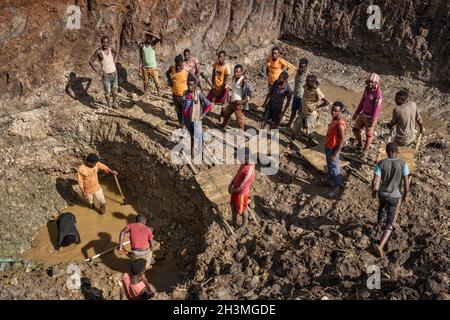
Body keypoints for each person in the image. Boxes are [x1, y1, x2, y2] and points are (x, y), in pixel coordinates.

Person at [371, 142, 409, 257]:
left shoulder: (380, 163)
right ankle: (380, 246)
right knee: (390, 223)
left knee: (381, 207)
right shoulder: (403, 163)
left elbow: (375, 181)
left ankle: (378, 223)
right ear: (395, 152)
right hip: (394, 195)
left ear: (387, 152)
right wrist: (406, 195)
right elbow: (406, 183)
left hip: (382, 193)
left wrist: (374, 191)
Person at [182, 74, 213, 160]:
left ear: (195, 85)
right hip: (187, 120)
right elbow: (183, 107)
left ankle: (200, 153)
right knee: (191, 135)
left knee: (199, 138)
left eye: (191, 85)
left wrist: (202, 116)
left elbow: (209, 105)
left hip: (196, 120)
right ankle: (192, 150)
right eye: (188, 84)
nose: (189, 86)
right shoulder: (185, 93)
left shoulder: (198, 94)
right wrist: (183, 119)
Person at [292, 74, 330, 143]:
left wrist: (316, 107)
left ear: (313, 82)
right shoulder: (306, 86)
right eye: (306, 81)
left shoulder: (317, 91)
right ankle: (293, 139)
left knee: (310, 131)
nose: (306, 82)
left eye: (308, 81)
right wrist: (301, 107)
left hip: (310, 114)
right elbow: (305, 97)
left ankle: (310, 141)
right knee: (296, 126)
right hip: (303, 111)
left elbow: (327, 102)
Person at [352, 73, 383, 154]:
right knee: (355, 129)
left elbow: (377, 108)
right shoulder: (367, 89)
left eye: (372, 82)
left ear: (376, 83)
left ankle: (365, 149)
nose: (370, 83)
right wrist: (356, 113)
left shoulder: (378, 94)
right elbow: (362, 102)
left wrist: (373, 119)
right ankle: (360, 143)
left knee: (368, 135)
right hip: (363, 114)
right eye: (369, 82)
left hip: (371, 117)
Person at [221, 64, 255, 133]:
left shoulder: (243, 80)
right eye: (235, 72)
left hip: (238, 103)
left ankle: (241, 132)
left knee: (239, 119)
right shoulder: (234, 78)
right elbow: (235, 89)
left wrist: (244, 100)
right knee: (227, 114)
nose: (236, 73)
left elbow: (252, 92)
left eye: (238, 72)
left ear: (241, 72)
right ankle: (223, 126)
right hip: (232, 101)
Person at [324, 102, 347, 197]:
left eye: (335, 111)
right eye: (332, 110)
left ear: (340, 111)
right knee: (330, 166)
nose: (333, 112)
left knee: (335, 168)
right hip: (328, 146)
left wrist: (335, 154)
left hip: (333, 149)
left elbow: (342, 141)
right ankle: (331, 181)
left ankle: (336, 188)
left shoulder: (340, 124)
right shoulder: (335, 119)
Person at [89, 36, 118, 108]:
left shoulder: (110, 48)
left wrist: (114, 61)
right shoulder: (99, 52)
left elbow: (116, 53)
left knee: (115, 90)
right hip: (106, 75)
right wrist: (98, 72)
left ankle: (114, 103)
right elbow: (91, 61)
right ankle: (109, 105)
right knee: (107, 91)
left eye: (107, 43)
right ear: (101, 43)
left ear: (108, 43)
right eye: (103, 43)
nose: (105, 44)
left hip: (114, 73)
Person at [229, 156, 256, 233]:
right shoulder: (244, 163)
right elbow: (238, 174)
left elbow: (242, 186)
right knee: (232, 204)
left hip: (241, 193)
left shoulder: (250, 171)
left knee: (242, 209)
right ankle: (234, 220)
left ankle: (244, 225)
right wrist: (231, 184)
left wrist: (233, 190)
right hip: (235, 189)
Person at [166, 54, 194, 127]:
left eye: (179, 65)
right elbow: (167, 73)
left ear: (182, 63)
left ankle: (186, 125)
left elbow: (196, 79)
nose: (178, 67)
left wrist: (192, 89)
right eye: (176, 65)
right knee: (178, 111)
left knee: (185, 112)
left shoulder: (187, 70)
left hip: (184, 96)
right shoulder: (172, 69)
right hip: (175, 95)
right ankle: (181, 125)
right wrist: (170, 81)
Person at [286, 58, 309, 127]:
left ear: (306, 66)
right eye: (300, 66)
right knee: (293, 111)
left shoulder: (308, 76)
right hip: (296, 96)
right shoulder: (298, 71)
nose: (300, 68)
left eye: (302, 67)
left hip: (302, 98)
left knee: (301, 113)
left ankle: (303, 128)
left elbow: (316, 84)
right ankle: (289, 124)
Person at [138, 30, 161, 96]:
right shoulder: (142, 45)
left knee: (156, 81)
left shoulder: (152, 44)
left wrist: (149, 33)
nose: (149, 38)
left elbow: (159, 38)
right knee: (145, 81)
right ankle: (145, 93)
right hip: (145, 67)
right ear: (146, 37)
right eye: (148, 37)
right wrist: (140, 67)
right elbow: (140, 57)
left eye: (150, 37)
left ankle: (159, 92)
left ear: (151, 38)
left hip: (153, 67)